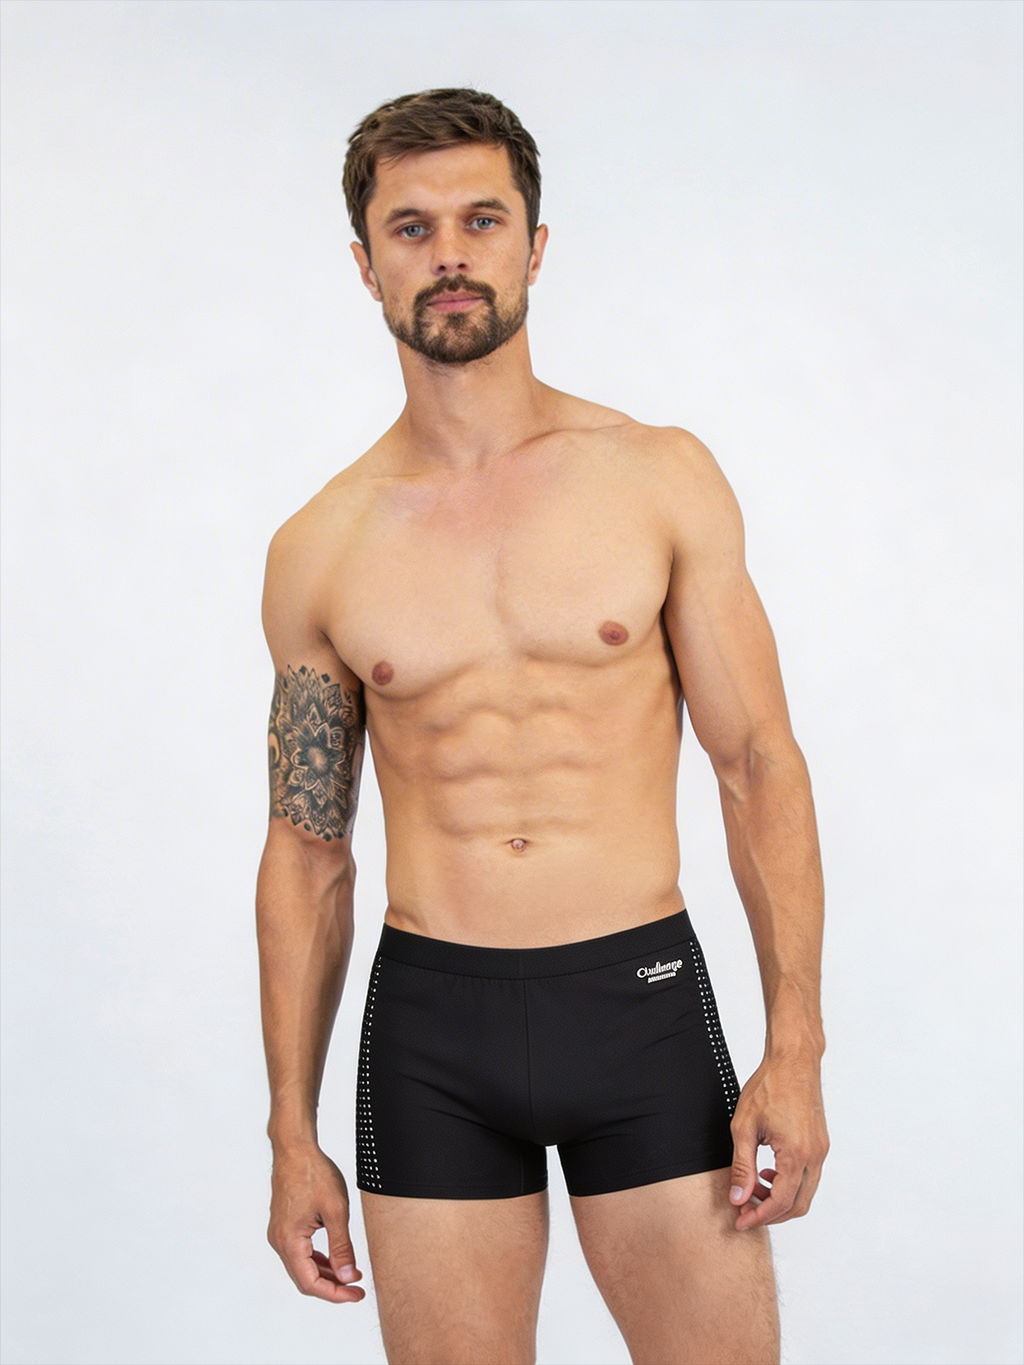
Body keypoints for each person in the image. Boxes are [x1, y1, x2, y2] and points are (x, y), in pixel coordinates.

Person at [256, 87, 828, 1365]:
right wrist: (291, 1132)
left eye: (481, 220)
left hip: (636, 1007)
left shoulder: (654, 477)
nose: (449, 254)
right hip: (431, 1034)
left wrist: (795, 1043)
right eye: (411, 229)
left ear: (534, 244)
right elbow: (306, 849)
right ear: (365, 264)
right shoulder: (321, 548)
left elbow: (755, 765)